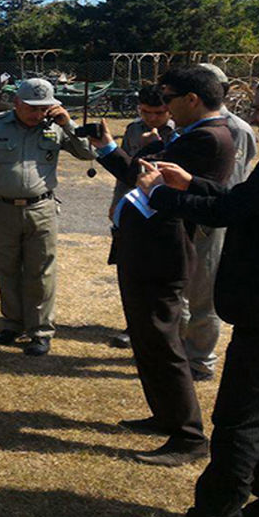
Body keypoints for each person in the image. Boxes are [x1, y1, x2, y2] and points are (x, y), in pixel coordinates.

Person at [136, 70, 259, 517]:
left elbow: (230, 214)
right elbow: (247, 201)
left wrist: (162, 194)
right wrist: (193, 182)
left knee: (239, 421)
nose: (252, 117)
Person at [90, 66, 234, 465]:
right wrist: (109, 148)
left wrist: (122, 156)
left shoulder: (207, 136)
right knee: (148, 338)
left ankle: (188, 438)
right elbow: (145, 171)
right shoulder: (192, 135)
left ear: (192, 99)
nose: (163, 107)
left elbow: (149, 176)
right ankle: (166, 416)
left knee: (163, 342)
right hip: (150, 248)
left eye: (168, 99)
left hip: (162, 252)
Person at [0, 78, 96, 356]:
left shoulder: (57, 127)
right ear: (16, 103)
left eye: (44, 108)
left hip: (41, 209)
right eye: (31, 107)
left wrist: (68, 124)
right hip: (1, 209)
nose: (37, 114)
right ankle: (12, 324)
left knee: (41, 272)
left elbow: (89, 153)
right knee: (6, 268)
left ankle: (40, 331)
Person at [176, 64, 259, 380]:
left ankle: (199, 360)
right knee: (183, 287)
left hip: (211, 219)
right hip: (189, 213)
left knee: (203, 292)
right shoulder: (193, 124)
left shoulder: (234, 128)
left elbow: (231, 181)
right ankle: (182, 349)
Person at [105, 84, 175, 350]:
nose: (151, 118)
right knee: (133, 268)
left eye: (158, 112)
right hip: (136, 208)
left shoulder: (179, 133)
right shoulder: (134, 129)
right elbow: (126, 169)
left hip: (165, 209)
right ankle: (133, 325)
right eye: (145, 112)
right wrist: (117, 202)